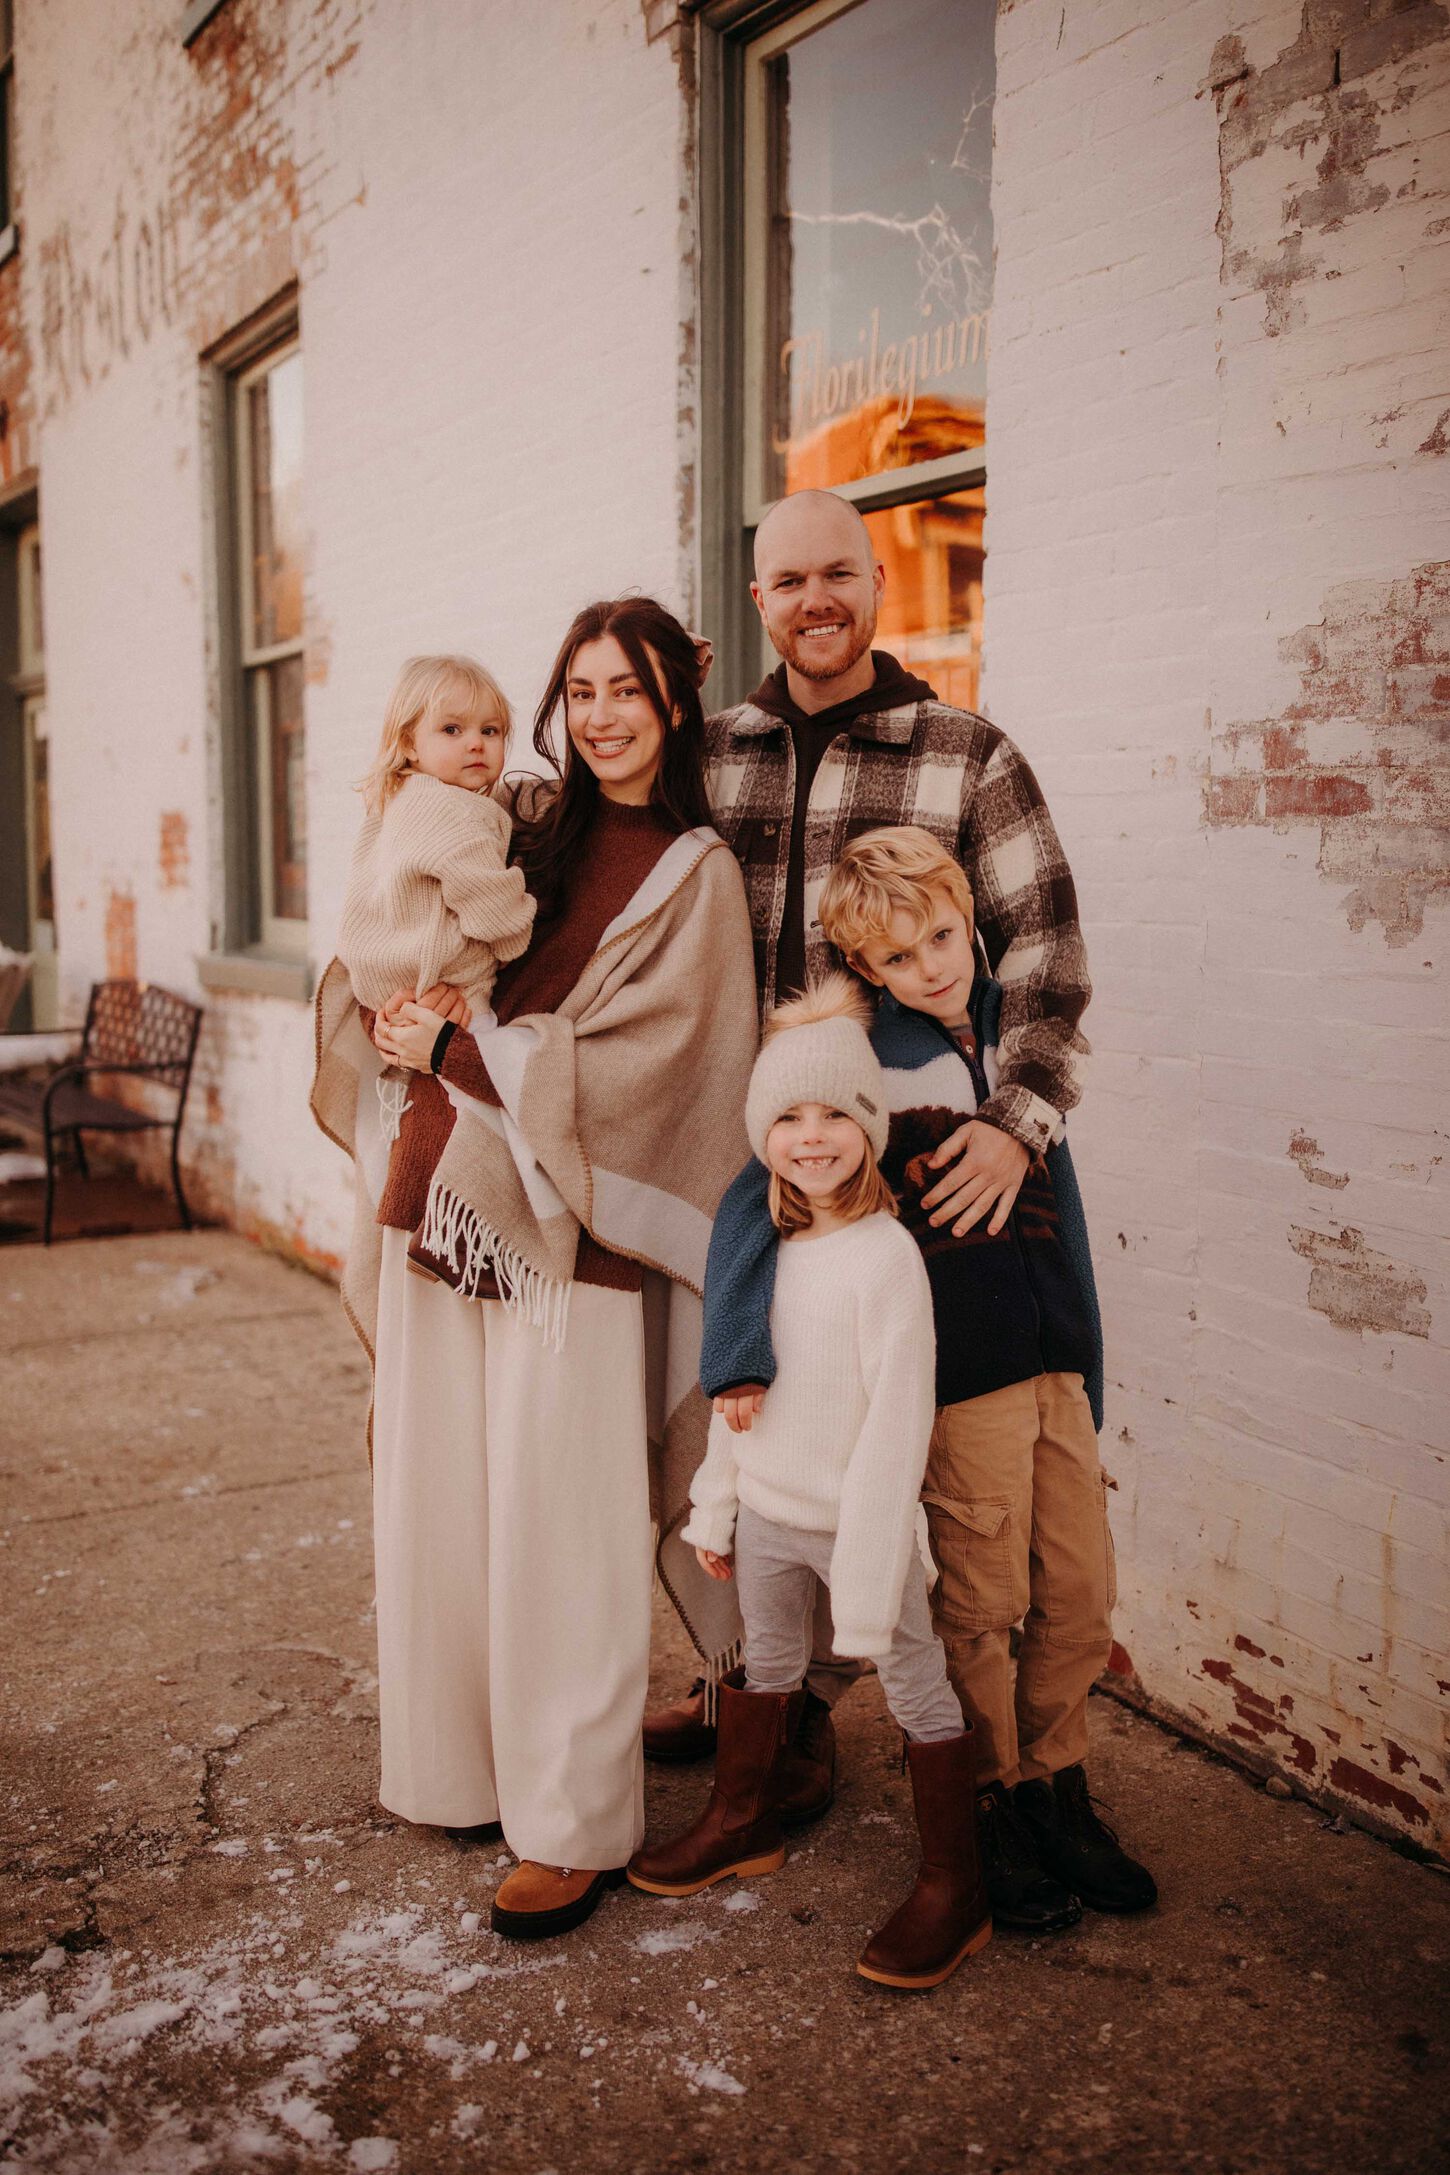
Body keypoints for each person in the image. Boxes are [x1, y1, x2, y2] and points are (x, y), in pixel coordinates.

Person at [646, 486, 1094, 1833]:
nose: (814, 599)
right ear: (758, 599)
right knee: (748, 1433)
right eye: (787, 581)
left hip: (937, 1180)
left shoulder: (966, 751)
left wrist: (1015, 1131)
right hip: (776, 1179)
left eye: (837, 571)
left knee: (927, 1458)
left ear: (878, 579)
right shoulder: (711, 757)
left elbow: (1046, 957)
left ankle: (987, 1771)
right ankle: (759, 1691)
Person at [310, 598, 757, 1941]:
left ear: (675, 704)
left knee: (559, 1530)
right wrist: (402, 1018)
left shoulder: (696, 872)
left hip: (579, 1232)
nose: (602, 712)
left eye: (629, 688)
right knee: (441, 1495)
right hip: (449, 1190)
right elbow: (399, 874)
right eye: (581, 688)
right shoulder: (526, 825)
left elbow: (664, 1068)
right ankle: (454, 1766)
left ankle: (569, 1820)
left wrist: (467, 1051)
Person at [704, 826, 1156, 1928]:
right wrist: (737, 1355)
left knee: (1077, 1591)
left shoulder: (1019, 1032)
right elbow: (752, 1199)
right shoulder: (866, 1060)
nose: (933, 967)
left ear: (969, 919)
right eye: (901, 958)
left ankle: (1059, 1785)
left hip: (1051, 1350)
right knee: (985, 1598)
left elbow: (1064, 1207)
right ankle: (992, 1799)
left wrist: (1089, 1356)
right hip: (962, 1372)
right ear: (865, 970)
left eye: (944, 938)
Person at [628, 976, 991, 1991]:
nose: (812, 1135)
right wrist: (715, 1506)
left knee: (916, 1686)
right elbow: (737, 1401)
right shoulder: (764, 1254)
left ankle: (953, 1886)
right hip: (773, 1520)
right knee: (767, 1665)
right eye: (788, 1116)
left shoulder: (885, 1261)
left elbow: (895, 1428)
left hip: (860, 1525)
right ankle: (741, 1822)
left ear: (869, 1128)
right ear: (761, 1133)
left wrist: (874, 1568)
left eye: (835, 1113)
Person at [336, 654, 535, 1099]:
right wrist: (516, 934)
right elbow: (494, 913)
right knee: (495, 1103)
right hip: (455, 994)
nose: (476, 744)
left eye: (491, 730)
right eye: (452, 730)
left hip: (392, 993)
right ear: (409, 742)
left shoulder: (393, 802)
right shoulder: (454, 812)